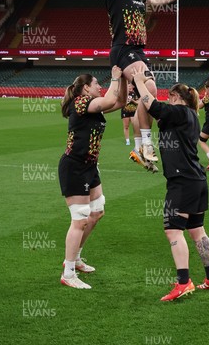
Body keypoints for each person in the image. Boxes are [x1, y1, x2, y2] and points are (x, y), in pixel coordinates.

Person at [89, 0, 188, 172]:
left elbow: (153, 1)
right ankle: (146, 144)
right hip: (123, 49)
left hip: (137, 51)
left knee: (122, 101)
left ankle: (136, 144)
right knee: (150, 89)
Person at [133, 67, 209, 302]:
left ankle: (184, 282)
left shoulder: (180, 112)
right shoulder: (189, 114)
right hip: (196, 180)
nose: (167, 99)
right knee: (197, 231)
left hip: (182, 181)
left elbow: (151, 104)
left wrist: (138, 80)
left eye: (170, 96)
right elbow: (151, 111)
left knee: (173, 229)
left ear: (178, 98)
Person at [58, 66, 126, 289]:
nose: (100, 86)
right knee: (79, 220)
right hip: (75, 167)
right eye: (97, 84)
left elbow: (120, 101)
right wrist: (116, 77)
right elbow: (108, 101)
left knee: (97, 212)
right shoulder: (81, 102)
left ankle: (75, 259)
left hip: (90, 166)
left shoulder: (93, 107)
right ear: (86, 88)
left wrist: (124, 80)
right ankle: (68, 273)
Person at [121, 82, 139, 146]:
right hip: (125, 111)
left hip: (133, 111)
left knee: (135, 126)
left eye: (130, 86)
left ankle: (137, 139)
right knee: (126, 126)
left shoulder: (135, 93)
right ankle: (127, 141)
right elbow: (120, 102)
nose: (129, 87)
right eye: (128, 86)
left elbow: (138, 103)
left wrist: (132, 101)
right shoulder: (123, 94)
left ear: (132, 87)